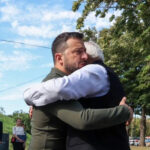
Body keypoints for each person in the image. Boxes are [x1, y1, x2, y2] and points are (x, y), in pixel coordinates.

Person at [25, 32, 132, 150]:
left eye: (85, 51)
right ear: (59, 58)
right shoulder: (55, 85)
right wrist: (124, 112)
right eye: (78, 52)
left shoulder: (69, 86)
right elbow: (82, 120)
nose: (85, 56)